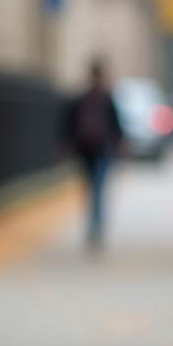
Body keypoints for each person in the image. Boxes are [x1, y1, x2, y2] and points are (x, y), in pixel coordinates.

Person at [63, 58, 124, 248]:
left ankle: (94, 225)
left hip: (90, 150)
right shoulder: (105, 98)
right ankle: (96, 226)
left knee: (93, 188)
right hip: (97, 150)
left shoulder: (84, 98)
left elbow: (68, 122)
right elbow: (116, 125)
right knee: (96, 188)